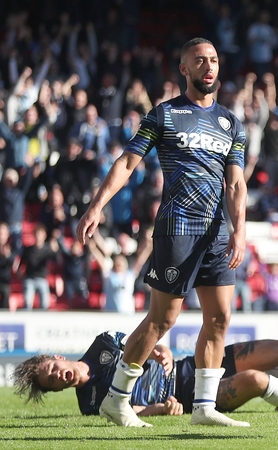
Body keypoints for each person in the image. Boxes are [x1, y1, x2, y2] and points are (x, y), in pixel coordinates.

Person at [77, 38, 249, 428]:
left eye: (214, 60)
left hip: (217, 233)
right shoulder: (165, 115)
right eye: (200, 61)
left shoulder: (231, 123)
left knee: (220, 318)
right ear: (184, 69)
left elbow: (236, 185)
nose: (209, 66)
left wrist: (240, 230)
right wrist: (96, 205)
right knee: (162, 320)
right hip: (177, 230)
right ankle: (117, 398)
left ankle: (204, 406)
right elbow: (127, 162)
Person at [11, 331, 278, 417]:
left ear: (57, 357)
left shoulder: (102, 343)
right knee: (257, 382)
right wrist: (157, 410)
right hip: (187, 395)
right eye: (53, 382)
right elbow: (125, 412)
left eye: (53, 369)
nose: (60, 376)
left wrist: (161, 348)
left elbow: (142, 338)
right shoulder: (88, 403)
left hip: (191, 364)